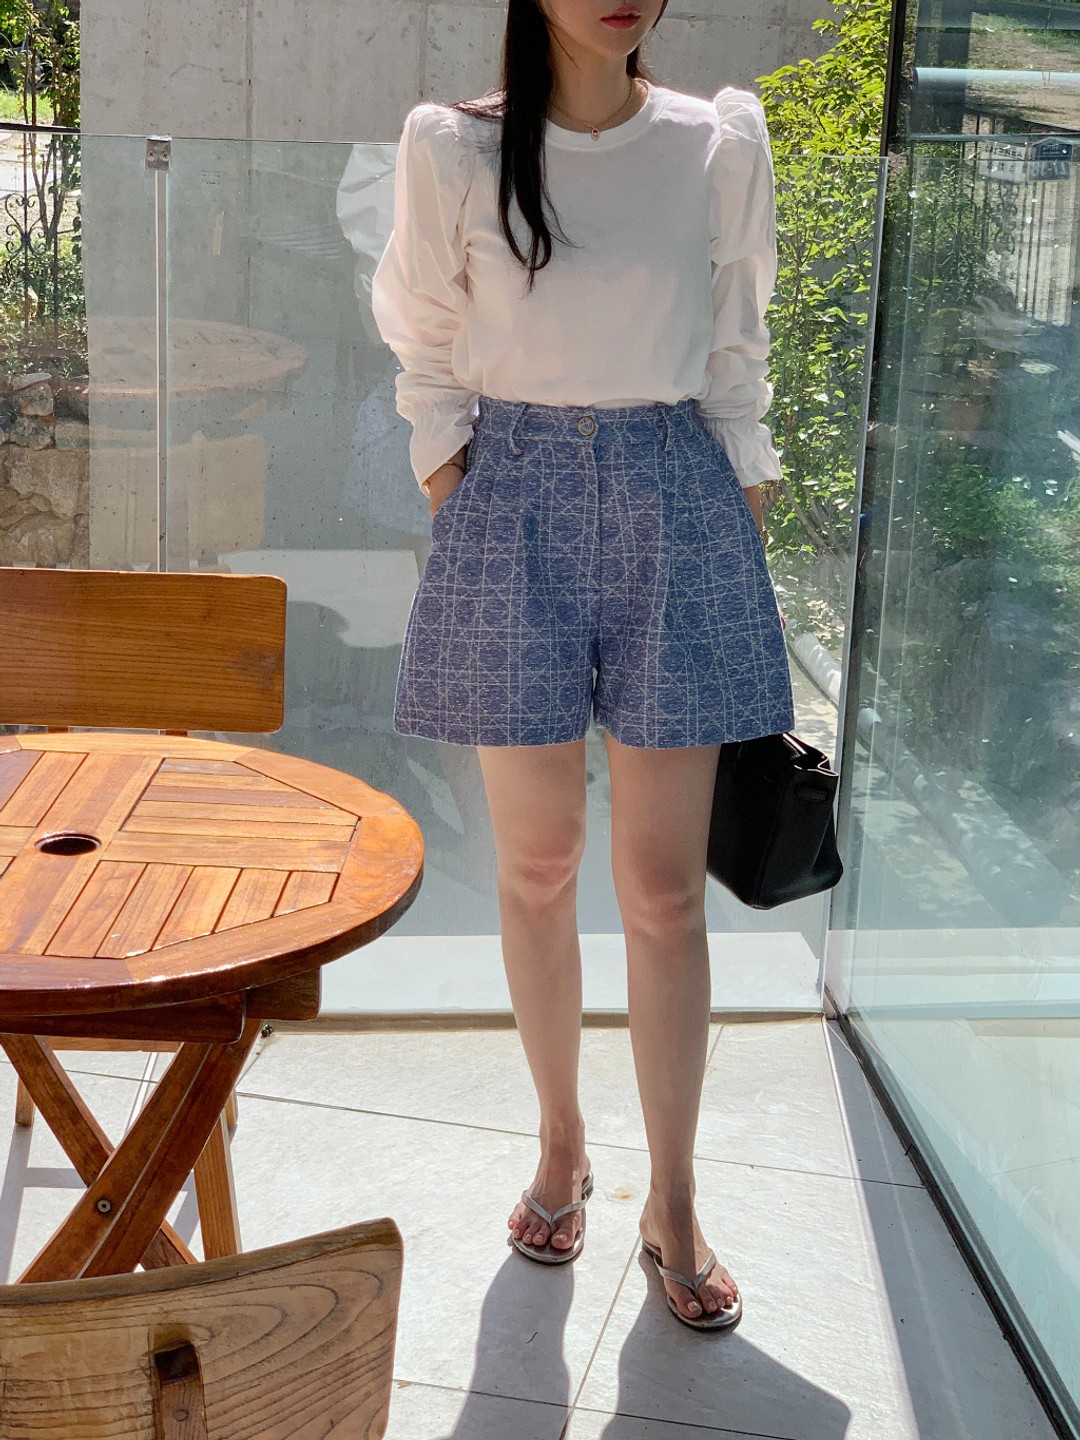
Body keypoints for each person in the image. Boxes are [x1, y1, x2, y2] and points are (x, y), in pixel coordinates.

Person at [370, 0, 794, 1331]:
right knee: (539, 863)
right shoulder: (454, 148)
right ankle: (561, 1145)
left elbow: (737, 335)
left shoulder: (716, 142)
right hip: (513, 497)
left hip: (678, 493)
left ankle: (675, 1200)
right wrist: (450, 474)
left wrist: (743, 486)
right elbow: (420, 329)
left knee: (663, 889)